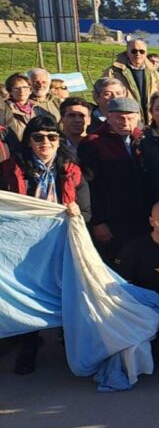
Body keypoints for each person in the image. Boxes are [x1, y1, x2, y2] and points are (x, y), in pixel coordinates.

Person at [1, 115, 89, 374]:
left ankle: (67, 343)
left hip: (60, 241)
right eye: (38, 137)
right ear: (28, 141)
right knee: (29, 291)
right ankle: (29, 344)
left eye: (52, 137)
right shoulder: (10, 168)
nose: (45, 142)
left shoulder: (71, 169)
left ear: (59, 140)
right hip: (22, 244)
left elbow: (87, 209)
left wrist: (77, 214)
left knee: (64, 290)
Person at [78, 97, 147, 262]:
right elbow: (90, 186)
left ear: (138, 117)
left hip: (142, 217)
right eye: (119, 117)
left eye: (130, 118)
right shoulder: (93, 143)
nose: (125, 122)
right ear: (108, 117)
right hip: (112, 221)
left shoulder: (143, 140)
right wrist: (98, 222)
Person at [101, 38, 159, 122]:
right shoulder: (113, 72)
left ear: (146, 53)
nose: (138, 54)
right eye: (134, 51)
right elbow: (102, 98)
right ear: (127, 52)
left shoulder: (153, 73)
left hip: (152, 122)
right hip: (125, 121)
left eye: (142, 51)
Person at [4, 73, 53, 141]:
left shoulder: (38, 109)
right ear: (10, 91)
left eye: (25, 87)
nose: (22, 91)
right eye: (16, 88)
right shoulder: (4, 110)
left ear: (30, 90)